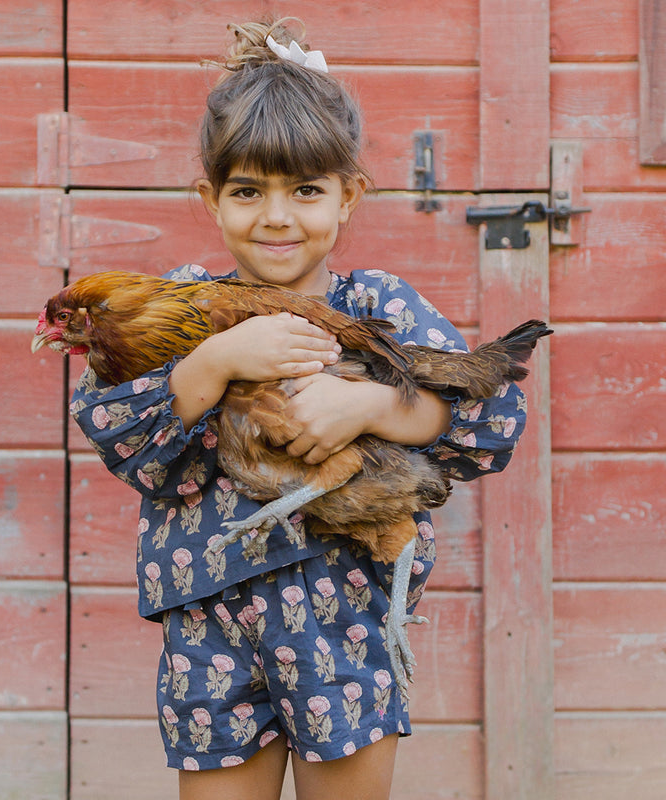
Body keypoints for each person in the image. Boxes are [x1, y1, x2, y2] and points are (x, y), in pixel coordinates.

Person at [70, 18, 528, 800]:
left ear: (348, 196)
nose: (277, 217)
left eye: (306, 191)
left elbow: (488, 425)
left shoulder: (377, 302)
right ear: (211, 199)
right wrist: (214, 361)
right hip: (208, 621)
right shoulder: (179, 305)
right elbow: (127, 440)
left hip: (345, 616)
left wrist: (369, 406)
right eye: (248, 191)